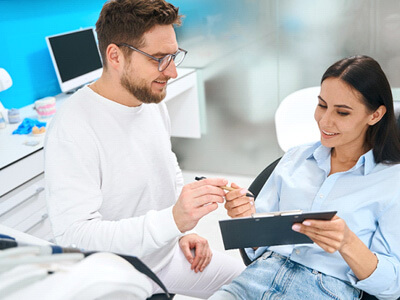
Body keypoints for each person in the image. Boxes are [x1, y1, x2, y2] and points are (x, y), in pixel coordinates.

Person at [44, 0, 244, 298]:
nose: (172, 71)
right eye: (159, 58)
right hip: (114, 271)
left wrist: (183, 230)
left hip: (165, 256)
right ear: (115, 56)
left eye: (174, 55)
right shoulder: (73, 127)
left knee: (254, 285)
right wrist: (172, 221)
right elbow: (77, 237)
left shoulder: (149, 99)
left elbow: (168, 168)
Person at [210, 55, 400, 300]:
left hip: (324, 290)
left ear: (375, 115)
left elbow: (392, 285)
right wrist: (245, 218)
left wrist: (347, 242)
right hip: (258, 277)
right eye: (322, 105)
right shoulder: (294, 159)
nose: (325, 120)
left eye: (342, 112)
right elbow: (256, 250)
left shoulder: (392, 182)